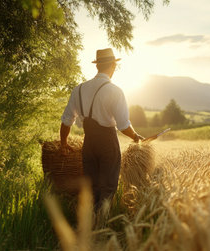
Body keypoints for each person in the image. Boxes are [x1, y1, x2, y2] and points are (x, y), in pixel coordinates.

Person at [60, 48, 147, 210]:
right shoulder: (115, 91)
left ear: (97, 66)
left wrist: (63, 143)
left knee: (92, 187)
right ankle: (101, 226)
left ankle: (90, 224)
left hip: (89, 144)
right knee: (108, 187)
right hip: (108, 143)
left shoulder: (78, 89)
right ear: (113, 65)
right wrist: (136, 137)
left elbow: (66, 121)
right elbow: (123, 125)